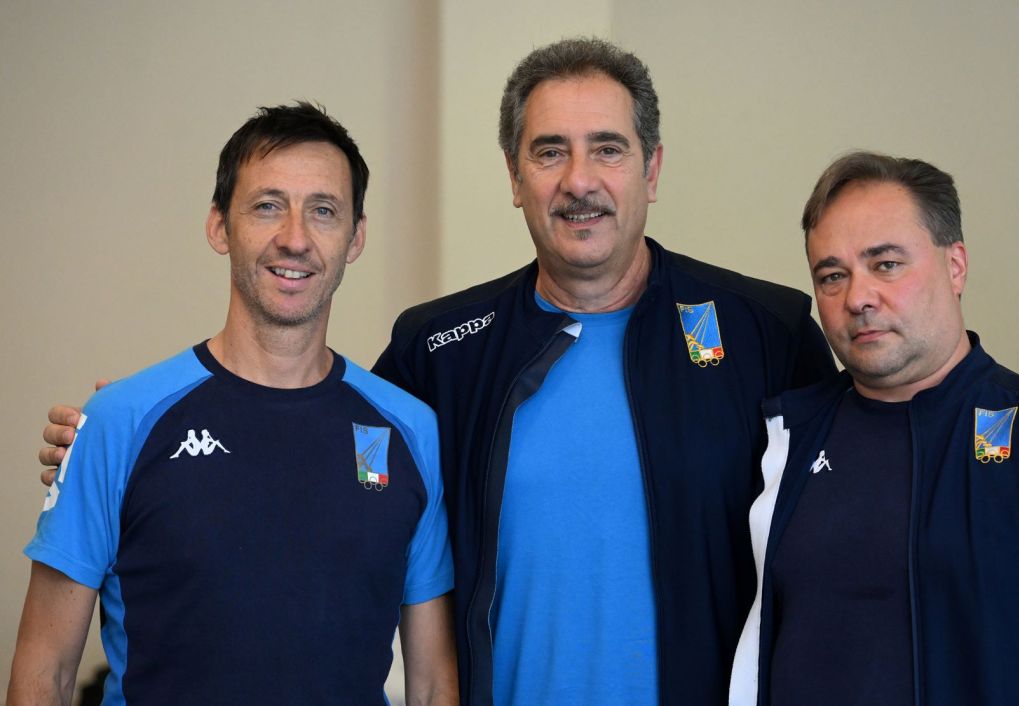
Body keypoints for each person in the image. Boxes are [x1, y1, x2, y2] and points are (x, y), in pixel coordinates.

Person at [38, 40, 835, 705]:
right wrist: (119, 441)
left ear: (651, 170)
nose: (579, 180)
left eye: (608, 148)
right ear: (514, 176)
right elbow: (312, 429)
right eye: (549, 152)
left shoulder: (767, 334)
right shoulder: (441, 350)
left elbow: (850, 507)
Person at [12, 103, 457, 706]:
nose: (295, 238)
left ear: (355, 237)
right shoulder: (119, 422)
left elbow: (432, 687)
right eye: (267, 206)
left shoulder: (408, 431)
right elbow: (44, 673)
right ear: (220, 226)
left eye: (323, 210)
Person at [728, 151, 1019, 705]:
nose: (858, 297)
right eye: (832, 276)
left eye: (886, 264)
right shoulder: (786, 440)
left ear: (956, 266)